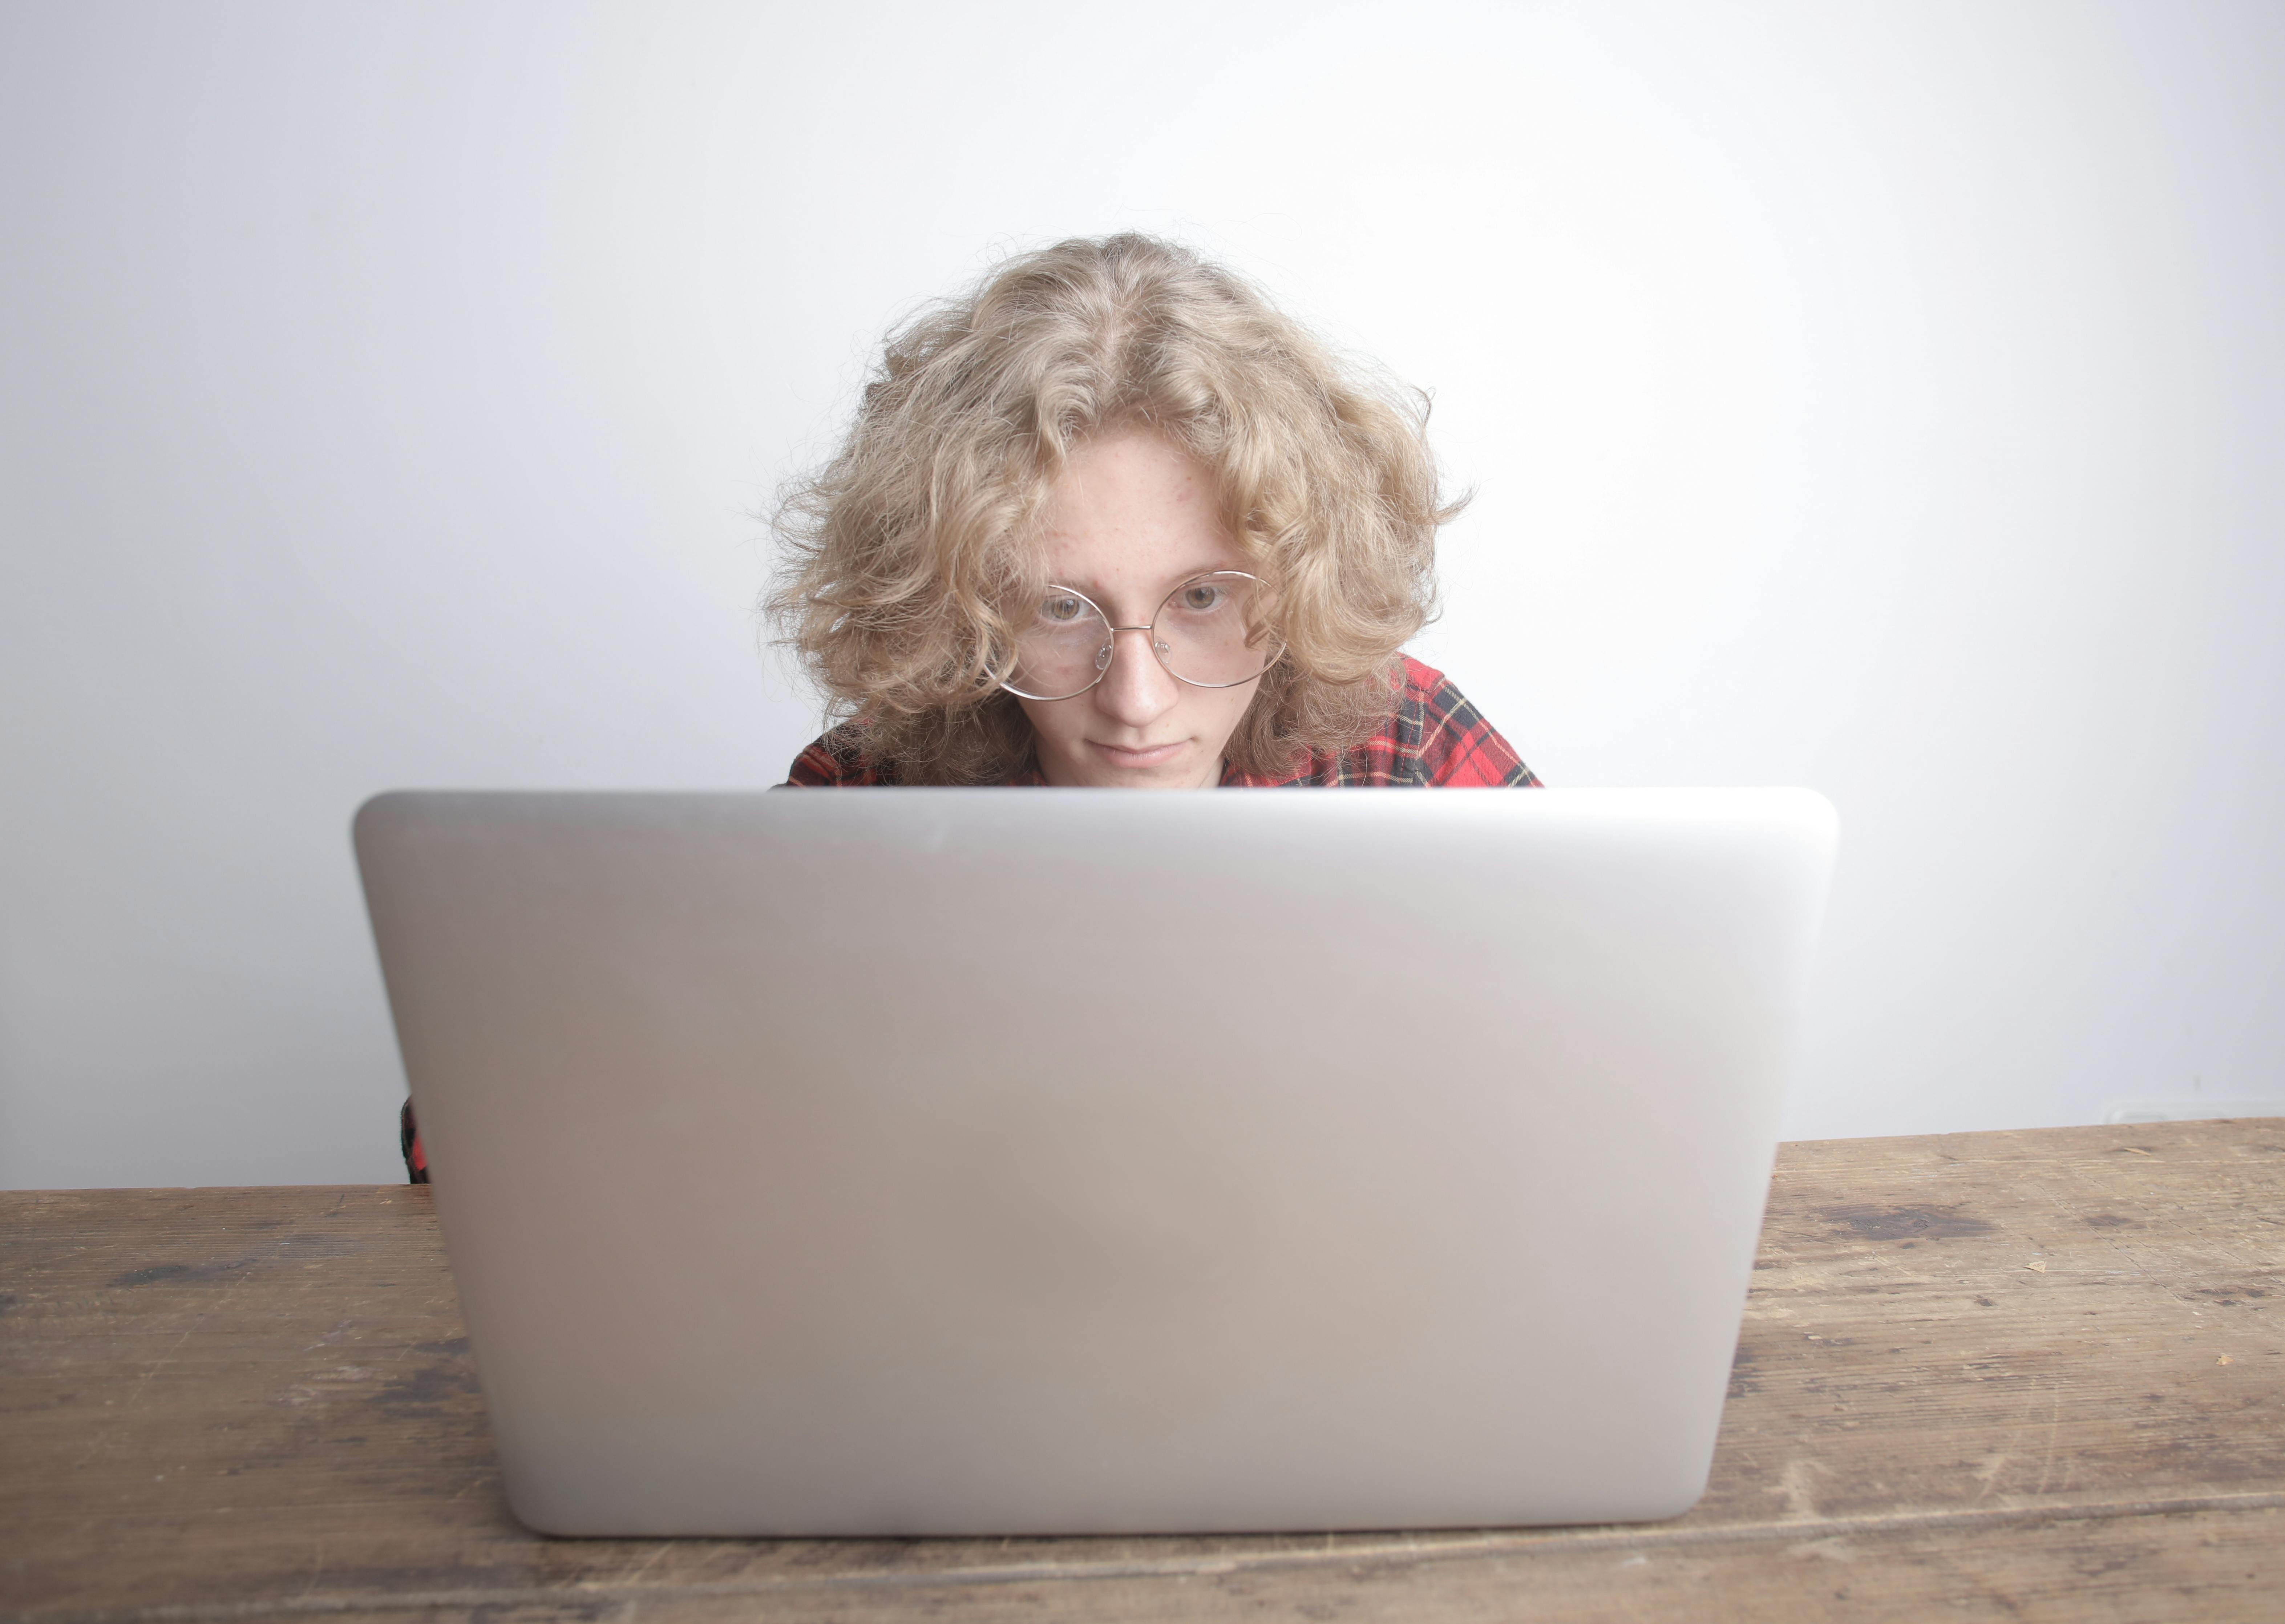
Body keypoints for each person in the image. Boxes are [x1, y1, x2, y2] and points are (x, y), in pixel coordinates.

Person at [399, 234, 1535, 1180]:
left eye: (1200, 599)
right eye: (1056, 607)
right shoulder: (868, 801)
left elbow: (1623, 1063)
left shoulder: (1403, 742)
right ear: (963, 605)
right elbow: (463, 1138)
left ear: (1301, 581)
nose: (1134, 701)